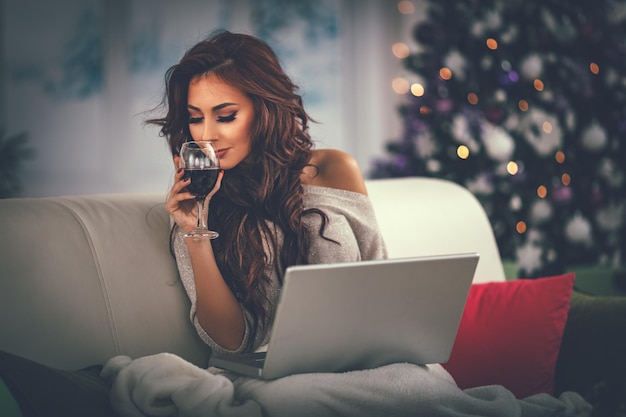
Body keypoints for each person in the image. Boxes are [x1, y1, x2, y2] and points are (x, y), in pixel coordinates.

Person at [0, 30, 593, 417]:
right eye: (195, 118)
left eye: (225, 115)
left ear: (265, 107)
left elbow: (376, 280)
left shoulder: (333, 169)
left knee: (418, 381)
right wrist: (193, 230)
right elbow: (229, 340)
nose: (206, 134)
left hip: (364, 367)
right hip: (266, 375)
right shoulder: (196, 198)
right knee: (295, 398)